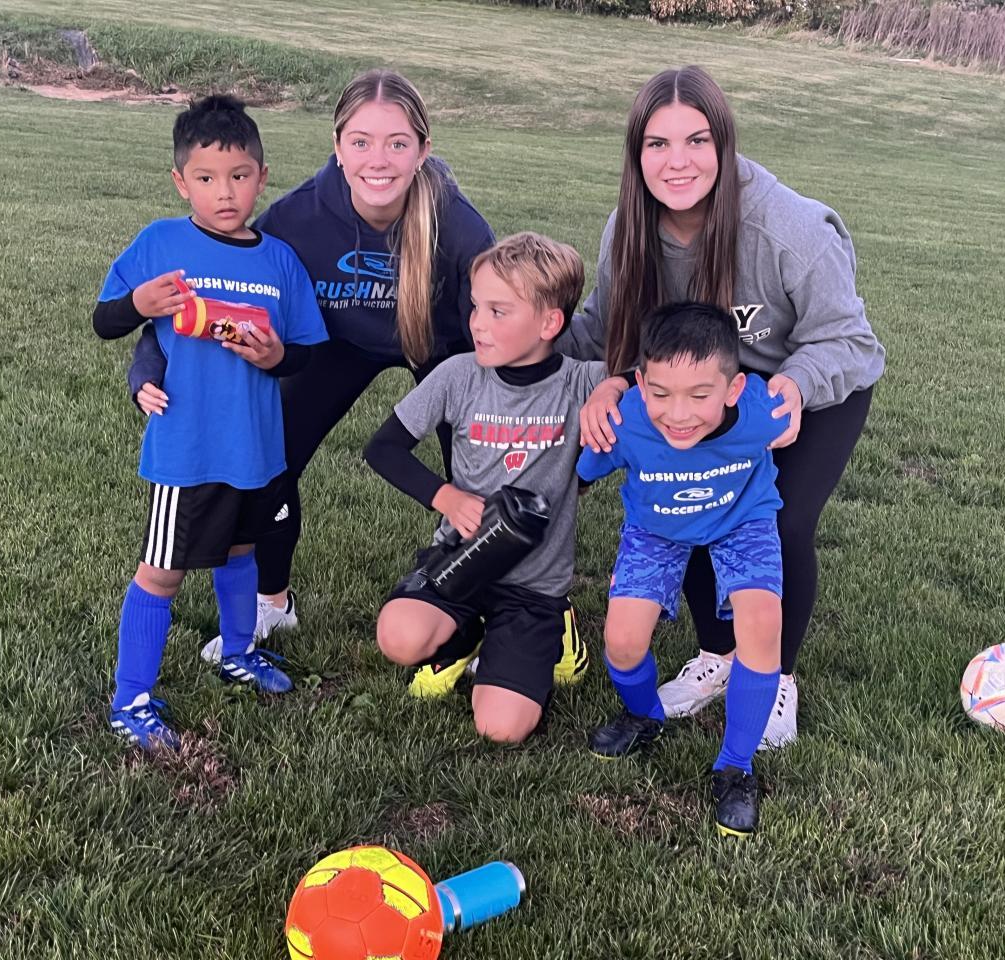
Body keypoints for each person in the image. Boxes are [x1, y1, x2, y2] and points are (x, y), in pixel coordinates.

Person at [561, 66, 885, 748]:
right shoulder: (629, 230)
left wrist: (797, 385)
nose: (677, 162)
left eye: (697, 140)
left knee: (781, 522)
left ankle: (777, 675)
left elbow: (850, 341)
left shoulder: (791, 228)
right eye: (657, 144)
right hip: (698, 394)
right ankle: (717, 655)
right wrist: (596, 374)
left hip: (809, 388)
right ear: (636, 152)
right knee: (689, 505)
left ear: (725, 143)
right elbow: (605, 329)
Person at [94, 95, 327, 750]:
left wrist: (277, 356)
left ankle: (237, 650)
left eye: (239, 175)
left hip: (256, 447)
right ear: (181, 182)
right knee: (162, 571)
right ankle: (131, 698)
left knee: (242, 551)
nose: (225, 192)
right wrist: (139, 303)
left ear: (262, 175)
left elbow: (304, 350)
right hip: (188, 449)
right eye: (206, 177)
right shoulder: (162, 243)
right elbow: (107, 321)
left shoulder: (279, 261)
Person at [365, 233, 607, 742]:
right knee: (398, 638)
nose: (477, 322)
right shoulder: (459, 375)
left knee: (501, 728)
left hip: (533, 589)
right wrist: (446, 497)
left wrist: (617, 385)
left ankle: (557, 633)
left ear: (549, 324)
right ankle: (465, 634)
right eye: (476, 306)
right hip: (459, 563)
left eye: (498, 311)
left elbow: (653, 379)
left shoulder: (582, 383)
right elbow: (383, 449)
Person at [578, 302, 788, 836]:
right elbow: (576, 478)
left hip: (744, 519)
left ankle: (736, 767)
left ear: (734, 389)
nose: (678, 413)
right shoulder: (624, 421)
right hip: (655, 527)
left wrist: (803, 390)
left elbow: (800, 407)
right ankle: (644, 715)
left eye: (699, 396)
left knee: (762, 622)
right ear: (640, 384)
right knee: (622, 640)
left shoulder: (765, 411)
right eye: (661, 394)